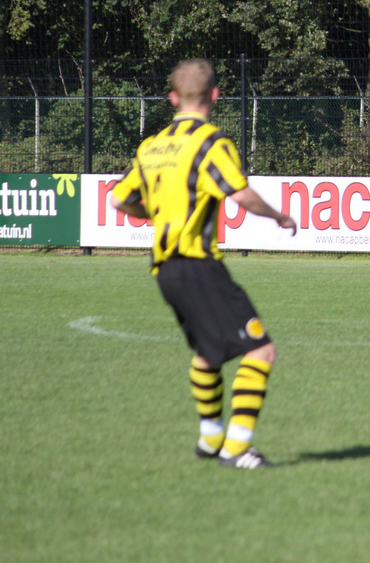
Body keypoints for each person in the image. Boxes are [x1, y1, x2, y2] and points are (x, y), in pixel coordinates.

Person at [110, 59, 296, 470]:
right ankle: (236, 449)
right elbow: (240, 195)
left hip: (165, 270)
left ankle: (211, 438)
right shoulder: (211, 143)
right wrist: (280, 216)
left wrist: (153, 213)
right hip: (197, 264)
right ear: (215, 95)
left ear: (172, 98)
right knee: (260, 351)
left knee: (207, 355)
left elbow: (119, 199)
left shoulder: (151, 145)